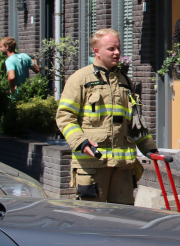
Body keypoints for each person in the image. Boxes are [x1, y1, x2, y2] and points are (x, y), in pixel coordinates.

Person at [55, 29, 158, 204]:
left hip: (122, 167)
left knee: (121, 219)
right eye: (111, 49)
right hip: (92, 165)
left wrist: (150, 149)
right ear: (97, 51)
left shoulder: (126, 82)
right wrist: (81, 142)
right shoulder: (80, 79)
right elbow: (64, 116)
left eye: (118, 48)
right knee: (92, 218)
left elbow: (135, 123)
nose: (117, 52)